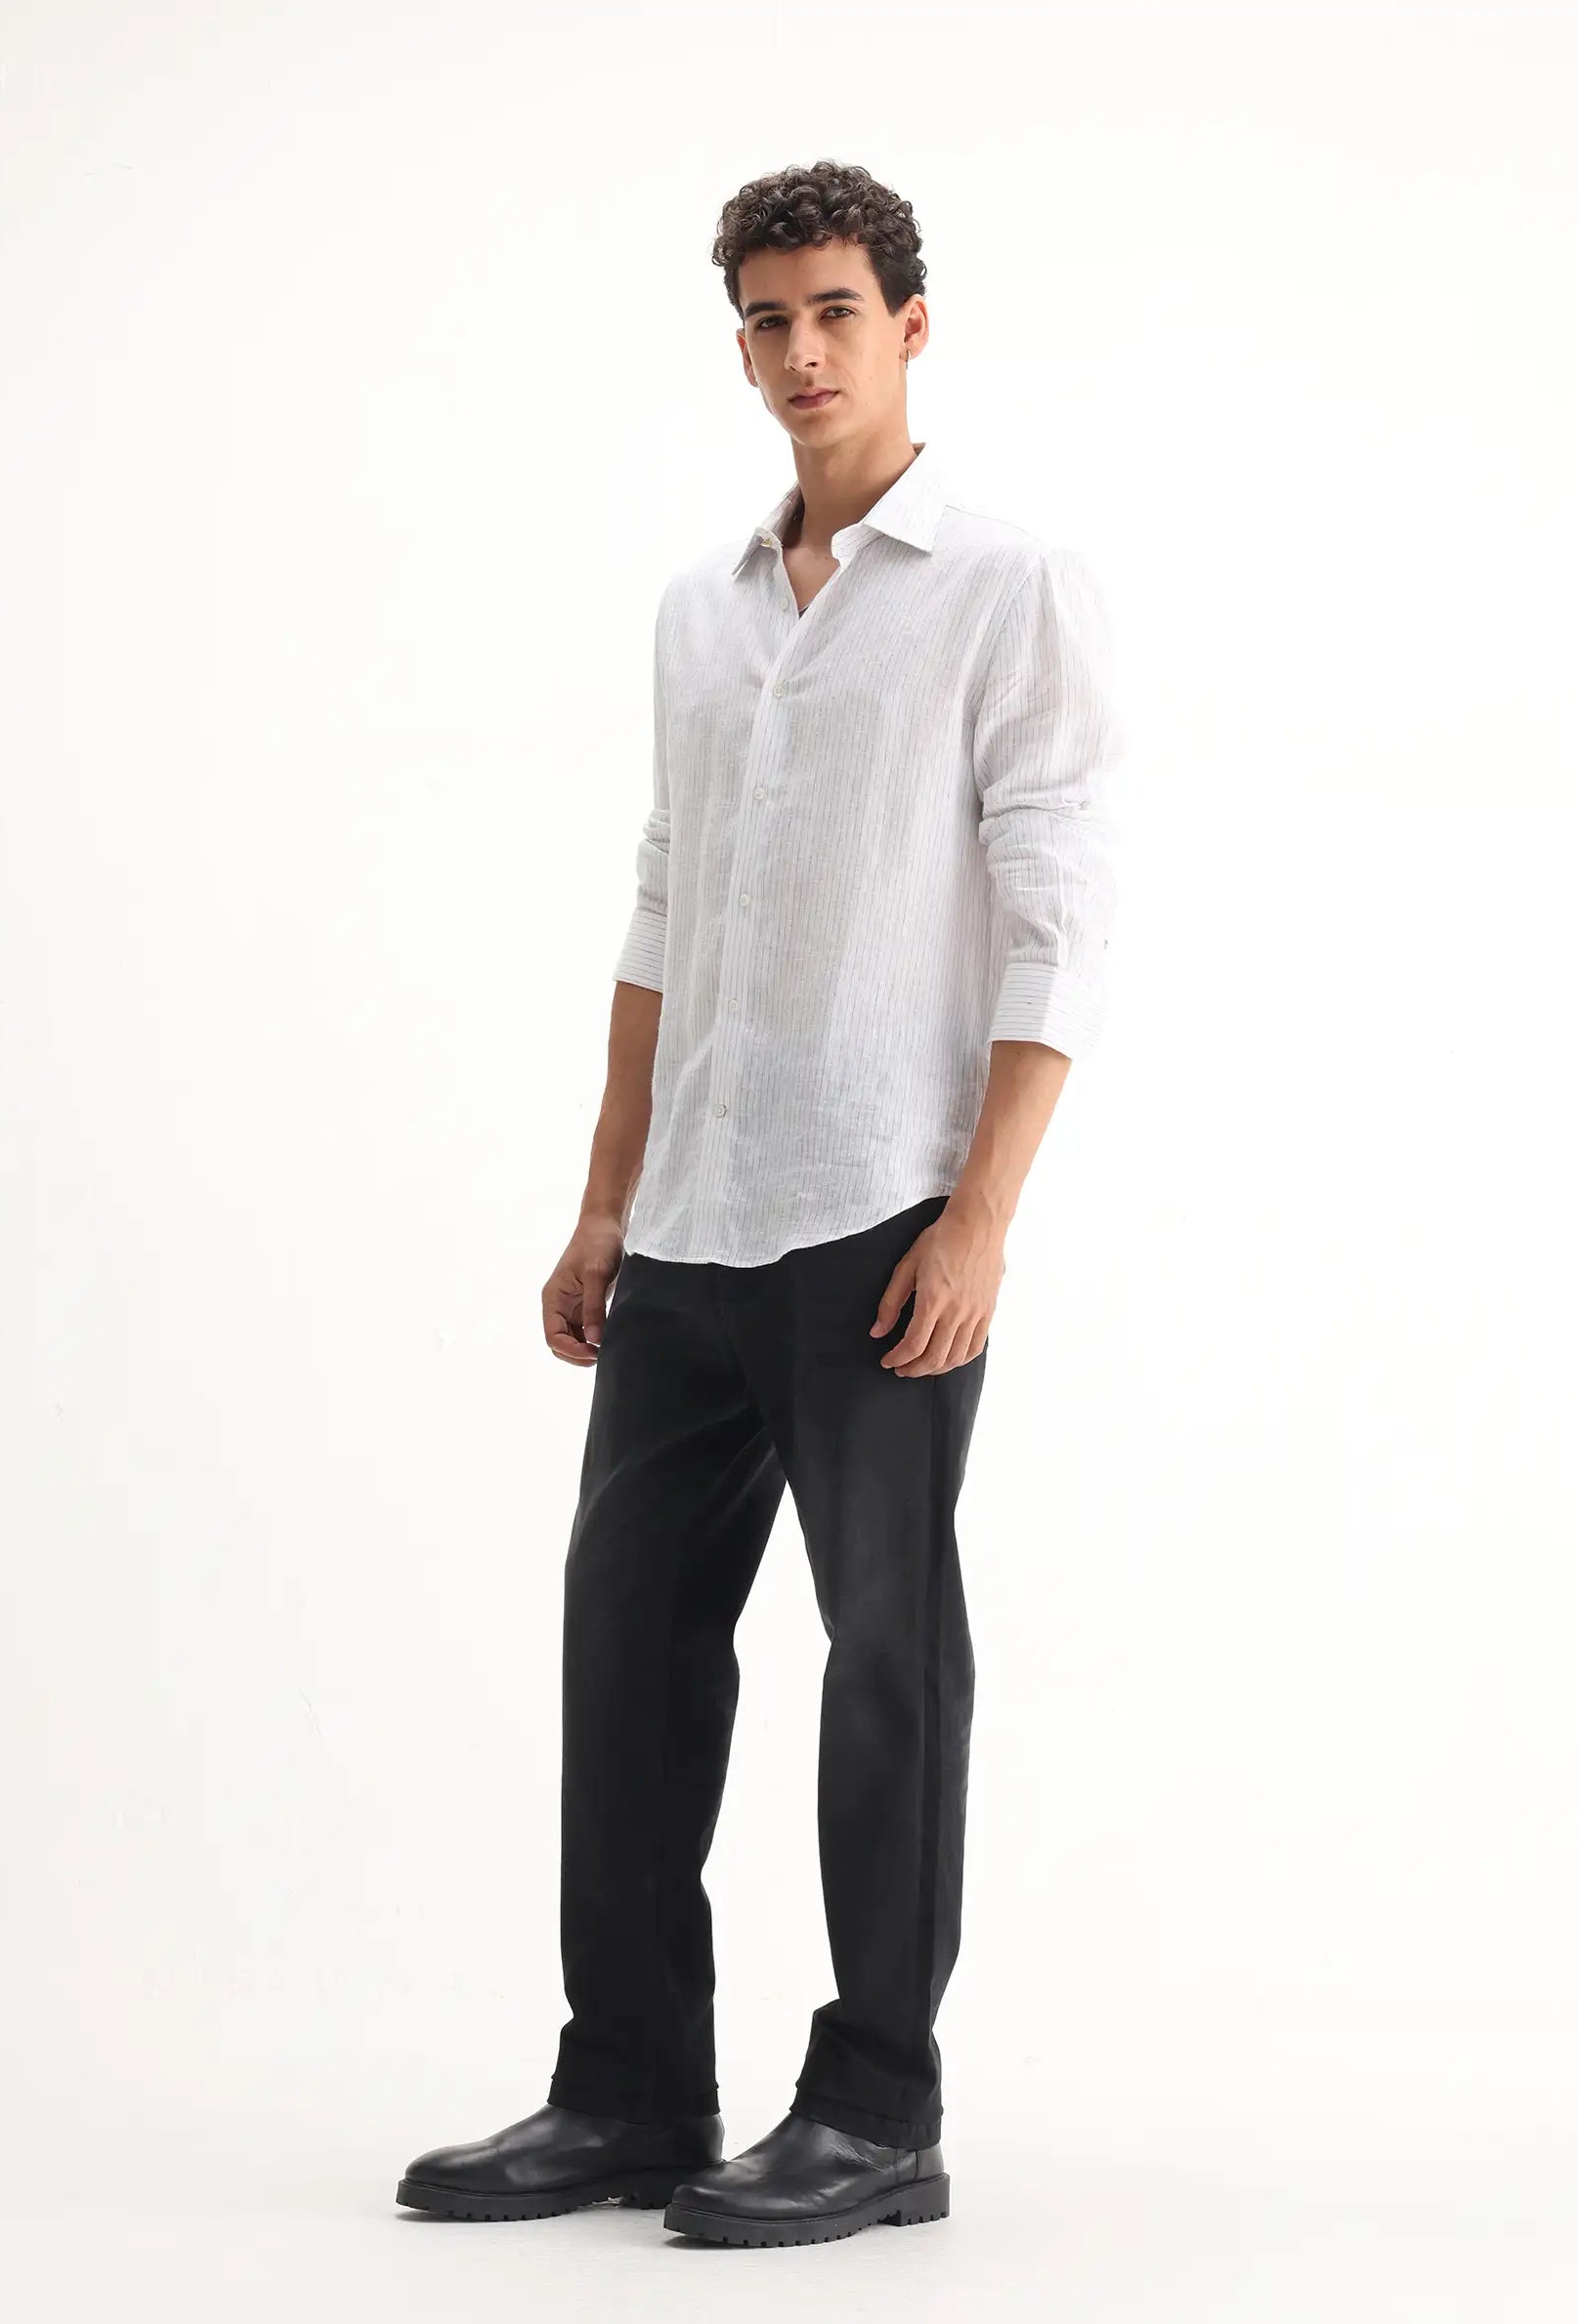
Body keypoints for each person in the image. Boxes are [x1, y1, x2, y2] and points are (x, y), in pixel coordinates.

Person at [396, 156, 1124, 2250]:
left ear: (912, 326)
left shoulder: (1009, 585)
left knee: (888, 1655)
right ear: (739, 346)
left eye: (836, 312)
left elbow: (1063, 912)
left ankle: (879, 2109)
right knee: (627, 1647)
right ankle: (630, 2086)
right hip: (691, 1222)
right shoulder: (700, 610)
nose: (803, 351)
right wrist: (603, 1199)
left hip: (881, 1214)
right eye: (768, 320)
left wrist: (981, 1219)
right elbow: (667, 901)